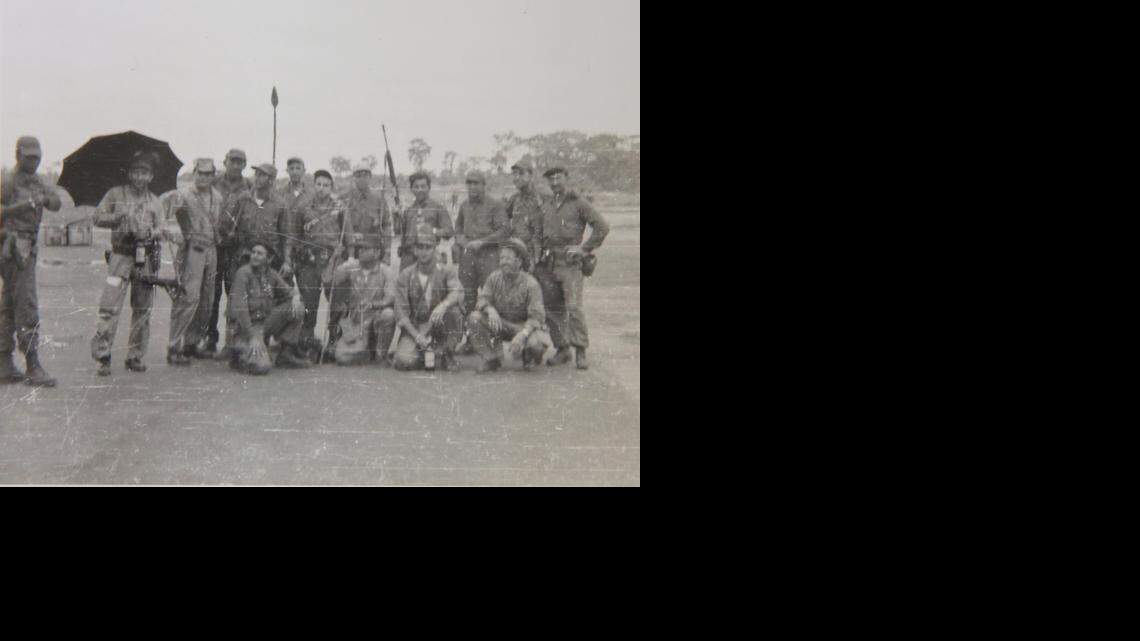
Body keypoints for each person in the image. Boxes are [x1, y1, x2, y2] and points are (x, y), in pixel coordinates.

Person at [90, 150, 171, 376]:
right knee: (109, 306)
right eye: (136, 172)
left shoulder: (155, 202)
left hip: (144, 258)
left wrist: (152, 232)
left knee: (143, 308)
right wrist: (117, 217)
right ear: (130, 174)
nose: (140, 177)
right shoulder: (115, 194)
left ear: (151, 176)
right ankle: (103, 356)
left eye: (145, 173)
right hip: (120, 257)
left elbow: (163, 227)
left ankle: (135, 356)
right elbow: (96, 217)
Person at [533, 166, 610, 370]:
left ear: (567, 178)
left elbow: (602, 227)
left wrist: (584, 249)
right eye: (551, 179)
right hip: (549, 263)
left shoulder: (579, 203)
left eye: (558, 178)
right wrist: (538, 251)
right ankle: (563, 348)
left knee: (574, 308)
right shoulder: (547, 204)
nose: (555, 182)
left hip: (570, 264)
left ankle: (580, 350)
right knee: (552, 309)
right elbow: (540, 232)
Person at [0, 136, 62, 386]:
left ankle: (3, 362)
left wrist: (46, 199)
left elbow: (56, 203)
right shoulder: (7, 181)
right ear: (18, 155)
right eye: (29, 157)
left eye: (37, 157)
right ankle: (32, 364)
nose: (33, 162)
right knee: (26, 304)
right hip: (13, 245)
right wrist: (23, 205)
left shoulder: (39, 181)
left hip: (28, 244)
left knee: (9, 304)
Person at [162, 158, 221, 365]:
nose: (204, 177)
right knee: (188, 297)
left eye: (208, 174)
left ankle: (192, 343)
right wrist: (174, 235)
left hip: (211, 249)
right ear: (194, 172)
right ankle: (174, 345)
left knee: (207, 299)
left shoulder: (217, 196)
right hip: (192, 250)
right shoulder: (183, 194)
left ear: (213, 175)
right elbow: (163, 215)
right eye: (201, 173)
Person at [198, 148, 253, 358]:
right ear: (226, 161)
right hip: (214, 245)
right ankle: (210, 338)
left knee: (235, 294)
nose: (236, 165)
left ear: (244, 165)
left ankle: (232, 341)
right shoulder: (214, 183)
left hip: (237, 249)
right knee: (211, 294)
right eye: (233, 161)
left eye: (240, 162)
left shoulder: (249, 186)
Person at [468, 238, 551, 373]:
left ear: (519, 262)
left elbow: (537, 317)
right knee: (474, 318)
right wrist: (490, 309)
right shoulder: (494, 277)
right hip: (501, 324)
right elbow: (482, 299)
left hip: (522, 327)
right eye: (502, 258)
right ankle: (491, 359)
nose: (504, 261)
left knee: (535, 347)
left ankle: (529, 354)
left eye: (508, 258)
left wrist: (522, 335)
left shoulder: (531, 284)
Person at [226, 242, 309, 374]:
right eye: (253, 252)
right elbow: (240, 309)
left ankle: (285, 354)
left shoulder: (272, 274)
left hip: (263, 325)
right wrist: (252, 336)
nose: (254, 256)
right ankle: (240, 354)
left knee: (298, 307)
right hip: (245, 329)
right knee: (261, 368)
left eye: (260, 254)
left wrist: (295, 297)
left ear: (268, 259)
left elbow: (291, 292)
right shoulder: (243, 274)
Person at [393, 224, 464, 371]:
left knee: (454, 312)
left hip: (439, 324)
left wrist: (443, 305)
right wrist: (417, 336)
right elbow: (401, 313)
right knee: (404, 362)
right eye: (420, 247)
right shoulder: (406, 275)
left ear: (434, 249)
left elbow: (457, 291)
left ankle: (447, 352)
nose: (424, 252)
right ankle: (424, 353)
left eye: (428, 247)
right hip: (416, 327)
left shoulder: (445, 271)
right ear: (415, 250)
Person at [293, 169, 349, 357]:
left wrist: (344, 255)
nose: (322, 188)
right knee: (309, 302)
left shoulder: (340, 207)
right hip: (309, 260)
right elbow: (294, 235)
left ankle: (334, 341)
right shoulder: (303, 207)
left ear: (331, 187)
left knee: (336, 302)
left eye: (326, 185)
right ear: (313, 185)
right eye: (318, 184)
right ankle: (307, 342)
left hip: (332, 259)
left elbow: (347, 236)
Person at [330, 238, 397, 366]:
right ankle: (365, 351)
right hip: (357, 323)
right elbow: (330, 280)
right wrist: (334, 259)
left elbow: (390, 298)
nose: (360, 252)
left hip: (376, 319)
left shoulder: (386, 272)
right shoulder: (351, 267)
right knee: (341, 357)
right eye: (359, 249)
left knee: (388, 314)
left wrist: (373, 304)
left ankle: (380, 355)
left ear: (377, 253)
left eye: (365, 249)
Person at [454, 169, 508, 311]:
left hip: (488, 255)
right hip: (468, 255)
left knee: (490, 294)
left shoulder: (495, 205)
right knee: (468, 294)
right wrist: (460, 240)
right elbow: (458, 227)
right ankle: (469, 327)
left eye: (476, 183)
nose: (472, 187)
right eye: (469, 183)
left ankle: (491, 328)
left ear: (484, 185)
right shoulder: (464, 205)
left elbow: (503, 231)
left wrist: (483, 242)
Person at [396, 171, 453, 271]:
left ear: (429, 187)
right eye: (416, 187)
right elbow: (400, 233)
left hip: (428, 256)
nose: (419, 190)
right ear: (411, 189)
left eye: (423, 186)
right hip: (408, 258)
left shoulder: (437, 208)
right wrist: (396, 216)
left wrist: (433, 231)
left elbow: (449, 231)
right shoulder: (408, 210)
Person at [345, 161, 393, 265]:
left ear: (370, 177)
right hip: (351, 252)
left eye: (365, 175)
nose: (362, 179)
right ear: (353, 178)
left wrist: (387, 252)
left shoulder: (379, 199)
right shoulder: (346, 198)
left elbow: (387, 226)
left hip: (373, 251)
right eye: (358, 176)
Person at [505, 157, 544, 266]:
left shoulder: (543, 197)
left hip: (538, 256)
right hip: (518, 252)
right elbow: (502, 219)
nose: (516, 178)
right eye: (514, 174)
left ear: (530, 175)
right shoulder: (514, 199)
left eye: (521, 174)